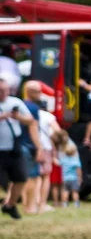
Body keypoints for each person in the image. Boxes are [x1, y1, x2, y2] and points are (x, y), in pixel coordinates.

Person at [0, 77, 41, 219]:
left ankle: (10, 205)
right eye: (1, 91)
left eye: (6, 90)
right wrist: (2, 117)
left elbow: (30, 121)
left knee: (21, 178)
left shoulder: (15, 102)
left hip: (14, 148)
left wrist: (18, 117)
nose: (4, 93)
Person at [21, 81, 57, 214]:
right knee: (38, 177)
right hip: (36, 146)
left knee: (23, 177)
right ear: (30, 92)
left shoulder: (19, 106)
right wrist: (39, 147)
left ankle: (26, 204)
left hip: (20, 145)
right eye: (38, 92)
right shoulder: (35, 110)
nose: (40, 94)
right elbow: (34, 128)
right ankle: (37, 205)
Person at [56, 133, 82, 208]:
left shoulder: (64, 160)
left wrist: (53, 157)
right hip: (74, 178)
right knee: (75, 192)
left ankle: (64, 204)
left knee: (65, 191)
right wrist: (80, 178)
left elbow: (57, 163)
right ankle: (76, 204)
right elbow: (79, 170)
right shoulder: (76, 161)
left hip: (65, 179)